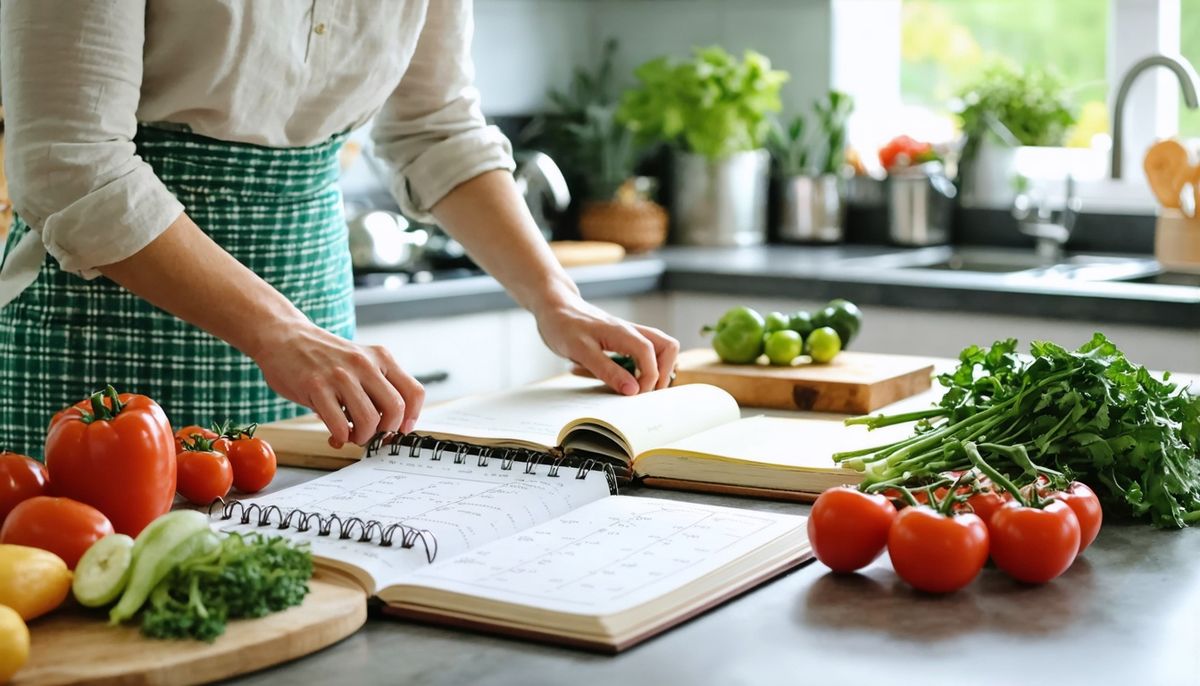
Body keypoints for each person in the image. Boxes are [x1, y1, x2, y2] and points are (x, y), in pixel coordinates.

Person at [0, 1, 679, 458]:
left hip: (315, 328)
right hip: (101, 324)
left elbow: (436, 129)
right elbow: (69, 161)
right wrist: (279, 332)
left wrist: (555, 298)